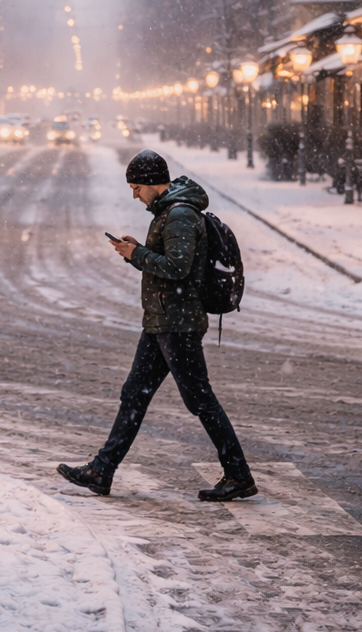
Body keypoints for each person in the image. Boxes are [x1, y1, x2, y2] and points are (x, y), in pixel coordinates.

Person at [57, 149, 256, 502]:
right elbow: (167, 264)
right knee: (134, 395)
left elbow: (178, 267)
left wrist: (137, 255)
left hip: (177, 325)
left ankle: (239, 474)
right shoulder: (169, 212)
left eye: (136, 187)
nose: (135, 195)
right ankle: (102, 470)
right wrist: (137, 252)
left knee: (201, 401)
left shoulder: (179, 215)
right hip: (162, 323)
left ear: (152, 183)